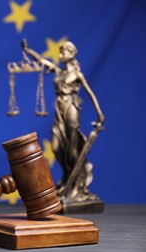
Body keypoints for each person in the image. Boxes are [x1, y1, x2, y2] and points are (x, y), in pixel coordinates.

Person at [21, 39, 105, 203]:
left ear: (72, 54)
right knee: (57, 147)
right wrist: (28, 50)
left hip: (71, 109)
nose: (60, 55)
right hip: (59, 110)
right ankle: (67, 178)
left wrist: (100, 114)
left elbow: (90, 93)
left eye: (63, 52)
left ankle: (75, 186)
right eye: (59, 52)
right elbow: (42, 61)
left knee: (73, 149)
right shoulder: (58, 72)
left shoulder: (77, 75)